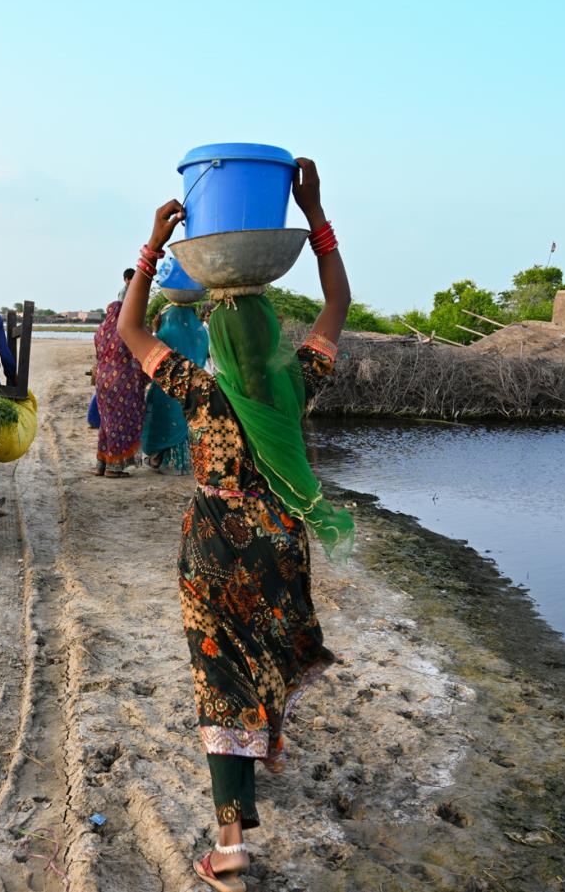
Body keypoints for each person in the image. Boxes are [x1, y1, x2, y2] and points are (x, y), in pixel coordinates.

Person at [115, 158, 354, 892]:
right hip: (283, 544)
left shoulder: (199, 392)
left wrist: (152, 247)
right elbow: (338, 306)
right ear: (272, 339)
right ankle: (270, 742)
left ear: (216, 340)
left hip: (215, 550)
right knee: (271, 643)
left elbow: (127, 328)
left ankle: (230, 847)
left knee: (220, 678)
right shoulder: (293, 388)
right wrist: (316, 215)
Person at [141, 302, 209, 474]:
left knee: (164, 419)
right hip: (192, 386)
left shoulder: (165, 333)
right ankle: (184, 461)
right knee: (185, 420)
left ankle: (161, 459)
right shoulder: (200, 332)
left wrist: (156, 329)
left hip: (167, 387)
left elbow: (152, 352)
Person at [91, 271, 148, 476]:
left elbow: (98, 357)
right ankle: (114, 467)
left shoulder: (100, 332)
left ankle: (101, 464)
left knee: (106, 423)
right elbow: (136, 356)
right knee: (120, 422)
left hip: (103, 380)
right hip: (122, 382)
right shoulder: (125, 331)